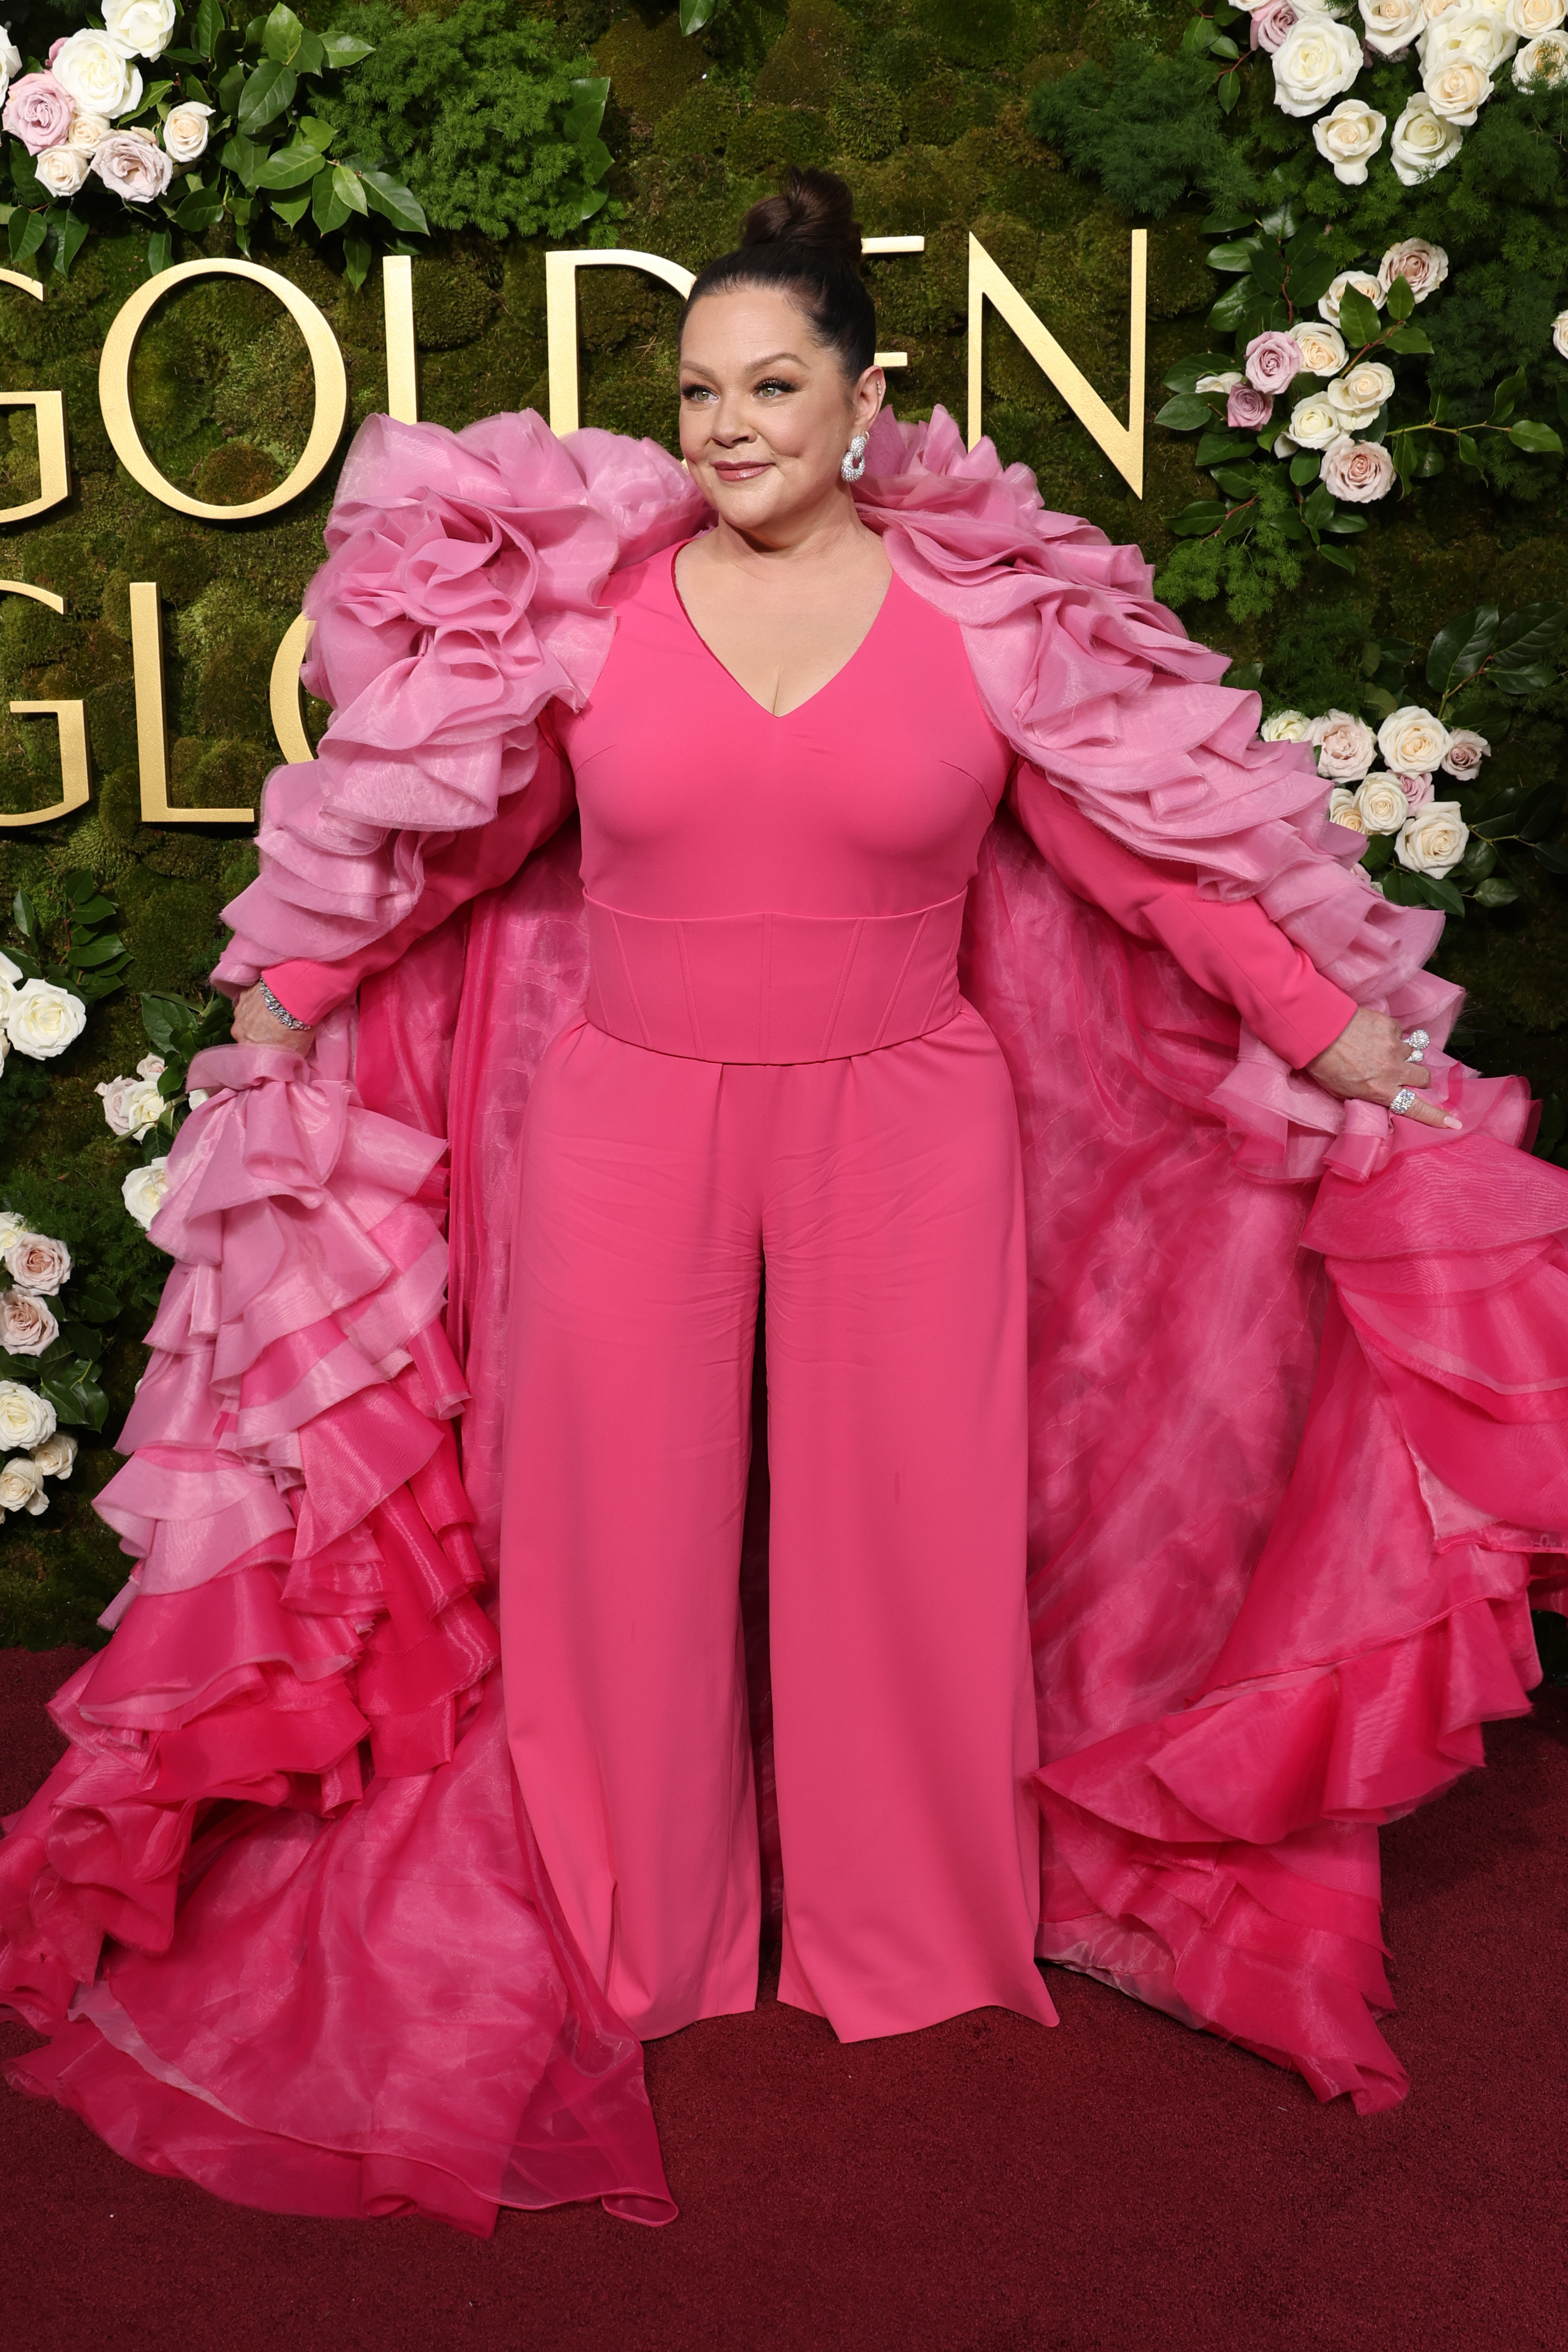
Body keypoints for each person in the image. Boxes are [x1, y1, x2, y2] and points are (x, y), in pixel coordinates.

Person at [2, 170, 1563, 2233]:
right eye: (697, 391)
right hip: (628, 1120)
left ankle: (904, 1935)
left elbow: (1147, 871)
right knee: (611, 1538)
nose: (728, 424)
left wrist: (1337, 1029)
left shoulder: (991, 624)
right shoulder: (594, 617)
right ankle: (639, 1937)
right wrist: (287, 991)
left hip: (912, 1122)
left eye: (772, 383)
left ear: (864, 394)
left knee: (900, 1531)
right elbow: (463, 850)